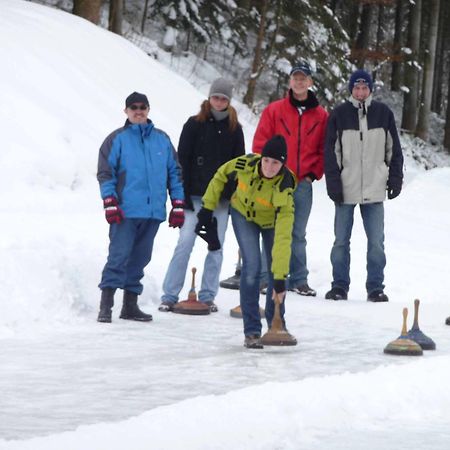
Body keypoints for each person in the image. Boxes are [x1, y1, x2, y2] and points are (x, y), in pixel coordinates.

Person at [196, 135, 296, 349]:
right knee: (251, 266)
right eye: (267, 160)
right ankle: (251, 330)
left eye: (276, 163)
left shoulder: (284, 188)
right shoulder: (245, 163)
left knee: (274, 272)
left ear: (283, 164)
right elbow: (220, 175)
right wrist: (207, 207)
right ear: (261, 158)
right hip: (243, 215)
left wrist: (279, 278)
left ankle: (276, 323)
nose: (269, 167)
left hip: (272, 224)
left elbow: (283, 238)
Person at [96, 92, 185, 323]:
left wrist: (177, 203)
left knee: (140, 259)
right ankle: (106, 306)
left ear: (148, 109)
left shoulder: (162, 140)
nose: (138, 111)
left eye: (142, 107)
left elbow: (175, 173)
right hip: (125, 211)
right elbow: (106, 173)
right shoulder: (116, 139)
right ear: (125, 111)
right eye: (133, 107)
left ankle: (130, 306)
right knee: (118, 256)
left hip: (153, 212)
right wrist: (110, 202)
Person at [159, 78, 245, 312]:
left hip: (220, 200)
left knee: (216, 246)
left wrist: (228, 195)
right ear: (209, 98)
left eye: (224, 98)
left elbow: (239, 166)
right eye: (216, 97)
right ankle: (169, 294)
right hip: (194, 197)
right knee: (185, 242)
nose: (219, 101)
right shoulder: (193, 124)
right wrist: (182, 195)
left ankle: (208, 295)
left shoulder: (235, 129)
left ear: (229, 101)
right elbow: (182, 160)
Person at [324, 70, 404, 302]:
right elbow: (331, 152)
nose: (360, 92)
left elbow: (393, 150)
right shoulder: (339, 114)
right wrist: (334, 184)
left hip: (375, 187)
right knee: (341, 241)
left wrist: (394, 178)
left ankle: (375, 287)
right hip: (346, 188)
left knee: (376, 242)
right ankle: (339, 286)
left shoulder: (383, 113)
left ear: (370, 89)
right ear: (351, 89)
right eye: (356, 88)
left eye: (364, 88)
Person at [252, 61, 328, 297]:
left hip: (302, 183)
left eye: (303, 78)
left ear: (310, 82)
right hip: (275, 181)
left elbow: (324, 148)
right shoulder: (275, 110)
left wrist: (314, 172)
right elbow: (260, 143)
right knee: (270, 228)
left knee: (297, 233)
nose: (299, 81)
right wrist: (266, 173)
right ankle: (267, 277)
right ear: (290, 81)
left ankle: (298, 279)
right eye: (295, 77)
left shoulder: (321, 115)